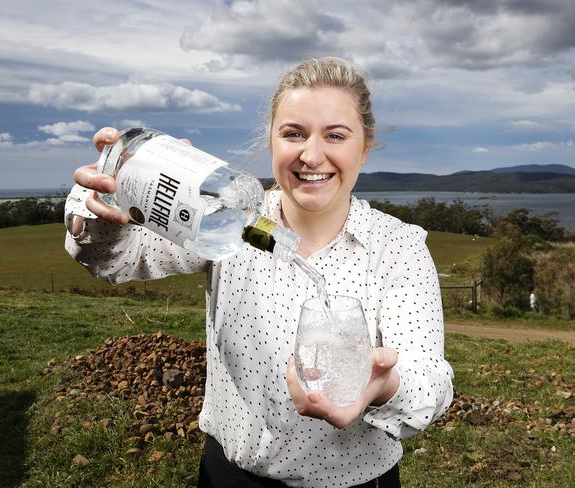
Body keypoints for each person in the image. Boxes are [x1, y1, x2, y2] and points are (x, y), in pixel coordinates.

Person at [65, 57, 454, 488]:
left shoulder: (397, 246)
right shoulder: (222, 219)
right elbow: (114, 261)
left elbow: (431, 383)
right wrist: (101, 206)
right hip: (229, 477)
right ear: (271, 141)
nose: (311, 155)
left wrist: (382, 387)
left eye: (336, 136)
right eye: (293, 134)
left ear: (364, 146)